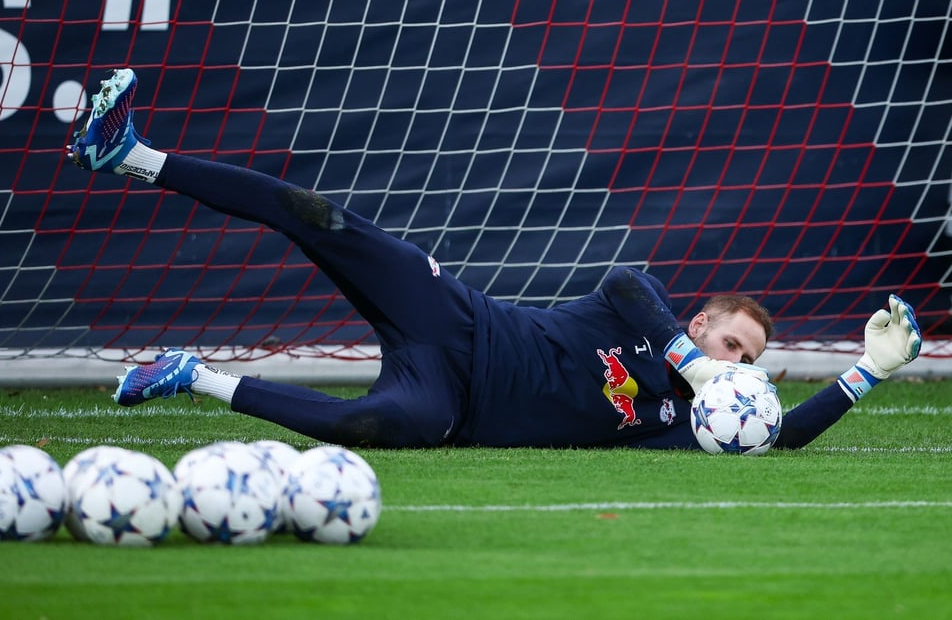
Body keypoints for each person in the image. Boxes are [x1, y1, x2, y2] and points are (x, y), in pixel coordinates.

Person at [66, 69, 923, 450]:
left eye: (747, 361)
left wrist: (869, 372)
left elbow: (778, 437)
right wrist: (692, 362)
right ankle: (132, 154)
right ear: (702, 324)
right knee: (321, 220)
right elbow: (623, 279)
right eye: (733, 344)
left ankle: (194, 375)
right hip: (457, 317)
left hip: (454, 404)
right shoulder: (653, 312)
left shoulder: (686, 422)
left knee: (377, 430)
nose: (736, 365)